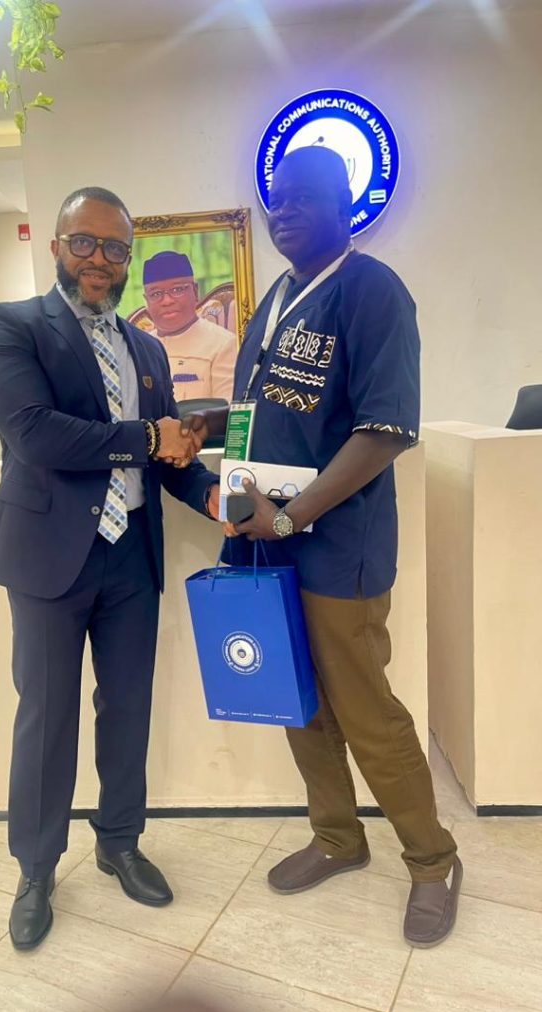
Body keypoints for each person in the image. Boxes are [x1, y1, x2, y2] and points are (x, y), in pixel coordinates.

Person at [182, 147, 461, 949]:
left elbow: (386, 430)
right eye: (278, 199)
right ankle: (338, 837)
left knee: (366, 709)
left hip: (339, 545)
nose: (287, 211)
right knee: (296, 699)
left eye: (306, 196)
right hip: (268, 542)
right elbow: (254, 415)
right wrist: (237, 495)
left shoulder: (371, 291)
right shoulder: (274, 299)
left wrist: (292, 516)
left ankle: (433, 860)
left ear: (347, 206)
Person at [0, 186, 219, 951]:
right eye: (85, 242)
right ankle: (36, 869)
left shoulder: (147, 350)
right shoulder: (11, 326)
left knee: (128, 707)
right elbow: (38, 436)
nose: (99, 260)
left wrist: (214, 494)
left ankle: (119, 842)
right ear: (56, 247)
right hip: (49, 557)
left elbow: (169, 454)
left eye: (115, 248)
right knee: (47, 717)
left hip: (131, 557)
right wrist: (147, 439)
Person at [142, 250, 238, 402]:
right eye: (155, 294)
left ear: (195, 291)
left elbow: (227, 409)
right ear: (146, 300)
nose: (167, 301)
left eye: (177, 289)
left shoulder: (223, 344)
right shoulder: (139, 348)